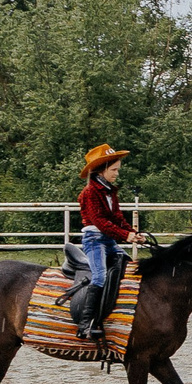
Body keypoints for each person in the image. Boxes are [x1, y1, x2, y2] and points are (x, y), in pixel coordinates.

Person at [74, 144, 149, 342]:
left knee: (128, 269)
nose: (117, 174)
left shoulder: (109, 191)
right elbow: (100, 222)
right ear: (102, 170)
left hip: (107, 239)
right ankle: (85, 323)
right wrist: (125, 236)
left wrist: (133, 233)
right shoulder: (90, 193)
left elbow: (117, 218)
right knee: (99, 277)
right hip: (94, 240)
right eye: (114, 170)